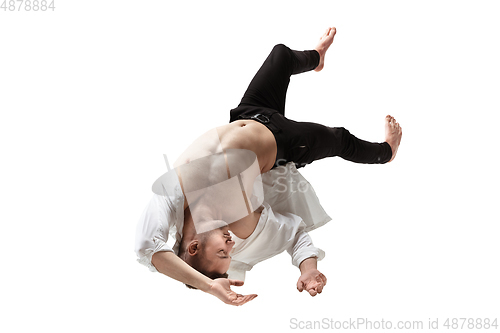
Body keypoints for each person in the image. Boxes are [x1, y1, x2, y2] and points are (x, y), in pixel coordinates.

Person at [135, 27, 402, 306]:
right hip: (284, 142)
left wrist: (207, 286)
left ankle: (316, 57)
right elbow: (293, 232)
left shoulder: (173, 198)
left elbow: (147, 249)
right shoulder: (242, 223)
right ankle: (387, 152)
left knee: (281, 55)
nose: (231, 246)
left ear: (193, 247)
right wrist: (308, 268)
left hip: (249, 113)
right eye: (230, 254)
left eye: (222, 253)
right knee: (340, 139)